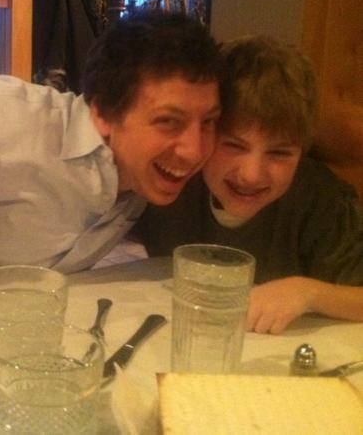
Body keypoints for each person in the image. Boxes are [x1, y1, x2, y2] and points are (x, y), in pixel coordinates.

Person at [0, 10, 223, 280]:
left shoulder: (149, 176)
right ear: (103, 113)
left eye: (208, 121)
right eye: (168, 121)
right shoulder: (4, 119)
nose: (194, 151)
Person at [136, 35, 363, 334]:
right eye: (233, 145)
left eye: (279, 153)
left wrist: (307, 292)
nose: (252, 175)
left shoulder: (324, 201)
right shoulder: (169, 183)